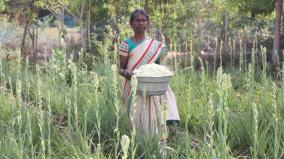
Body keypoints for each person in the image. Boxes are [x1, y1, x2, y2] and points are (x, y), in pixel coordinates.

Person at [119, 9, 180, 139]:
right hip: (133, 85)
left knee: (154, 113)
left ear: (147, 23)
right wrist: (127, 73)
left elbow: (156, 66)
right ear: (131, 24)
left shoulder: (154, 45)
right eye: (137, 20)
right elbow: (121, 69)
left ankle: (156, 140)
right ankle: (139, 142)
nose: (140, 23)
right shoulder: (126, 44)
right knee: (137, 116)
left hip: (151, 85)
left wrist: (164, 73)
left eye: (143, 20)